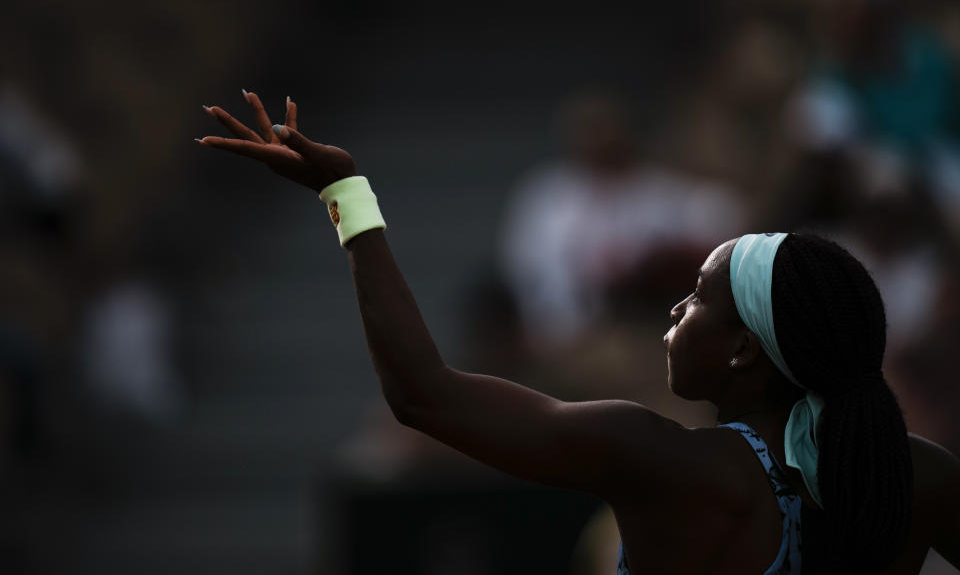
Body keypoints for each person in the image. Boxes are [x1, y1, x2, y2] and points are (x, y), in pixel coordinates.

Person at [198, 92, 960, 574]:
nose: (673, 313)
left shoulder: (656, 459)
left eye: (694, 299)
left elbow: (423, 396)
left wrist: (345, 198)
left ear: (740, 349)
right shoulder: (919, 476)